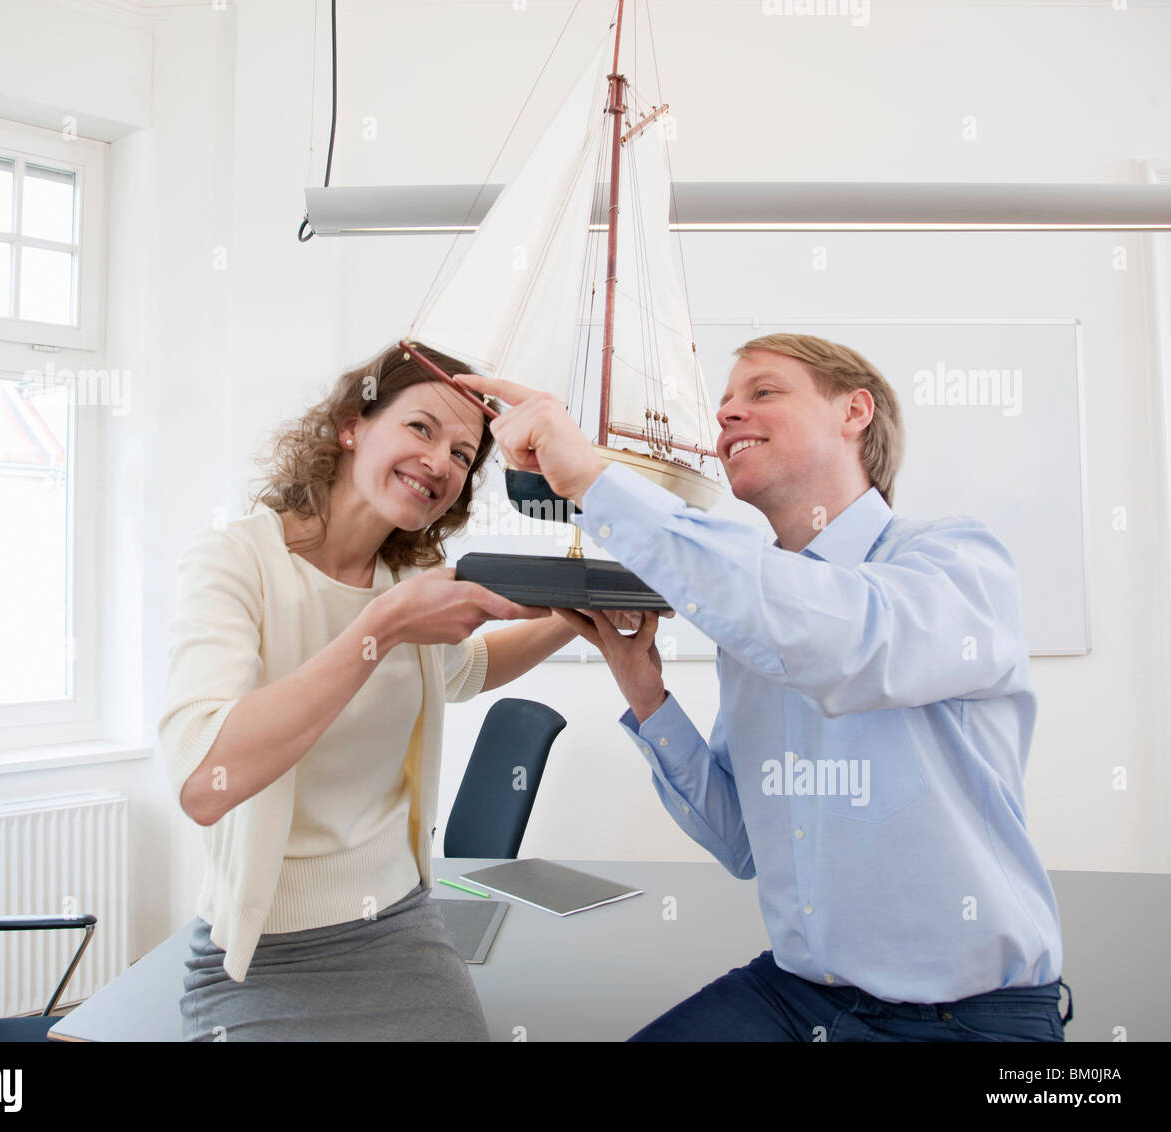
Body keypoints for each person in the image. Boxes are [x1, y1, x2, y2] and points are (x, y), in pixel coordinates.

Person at [456, 333, 1072, 1042]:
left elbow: (842, 639)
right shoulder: (753, 620)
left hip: (966, 1018)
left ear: (855, 412)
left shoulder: (956, 564)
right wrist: (644, 690)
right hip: (797, 996)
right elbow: (743, 841)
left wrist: (597, 483)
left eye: (763, 393)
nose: (727, 417)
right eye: (723, 406)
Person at [159, 342, 579, 1041]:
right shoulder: (236, 561)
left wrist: (577, 616)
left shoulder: (399, 582)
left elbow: (469, 668)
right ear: (353, 424)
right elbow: (205, 780)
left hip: (401, 929)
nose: (441, 462)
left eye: (463, 453)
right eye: (421, 428)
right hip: (259, 955)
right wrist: (378, 632)